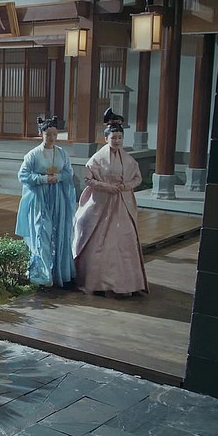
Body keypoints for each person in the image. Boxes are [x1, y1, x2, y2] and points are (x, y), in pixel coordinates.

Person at [73, 109, 148, 297]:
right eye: (113, 138)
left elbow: (138, 178)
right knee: (99, 239)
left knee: (123, 237)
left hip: (122, 203)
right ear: (106, 139)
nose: (117, 141)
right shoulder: (97, 158)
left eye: (120, 138)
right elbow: (88, 179)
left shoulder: (129, 159)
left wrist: (125, 186)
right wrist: (106, 187)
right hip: (101, 203)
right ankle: (99, 282)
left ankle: (126, 283)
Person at [15, 116, 76, 288]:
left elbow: (69, 172)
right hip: (40, 198)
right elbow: (23, 175)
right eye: (48, 134)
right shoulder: (33, 154)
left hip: (58, 197)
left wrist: (58, 177)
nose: (51, 138)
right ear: (41, 134)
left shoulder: (62, 153)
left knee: (59, 232)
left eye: (55, 134)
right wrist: (43, 179)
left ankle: (58, 272)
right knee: (42, 233)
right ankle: (42, 274)